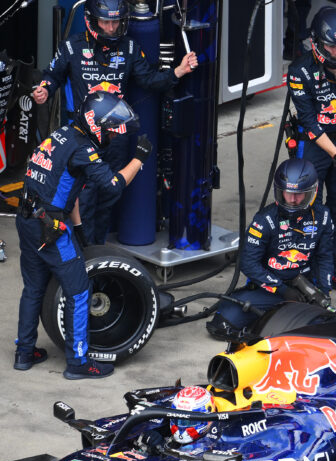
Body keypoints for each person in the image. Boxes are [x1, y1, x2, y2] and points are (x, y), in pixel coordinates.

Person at [31, 0, 198, 246]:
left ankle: (96, 250)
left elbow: (149, 80)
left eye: (116, 21)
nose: (111, 28)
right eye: (106, 21)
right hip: (82, 140)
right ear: (91, 20)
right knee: (84, 200)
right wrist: (43, 90)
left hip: (116, 137)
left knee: (109, 196)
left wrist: (179, 71)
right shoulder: (71, 46)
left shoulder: (130, 48)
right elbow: (51, 75)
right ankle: (83, 255)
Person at [14, 91, 151, 379]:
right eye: (110, 130)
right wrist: (139, 159)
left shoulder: (62, 134)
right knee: (79, 291)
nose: (113, 136)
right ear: (94, 124)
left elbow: (68, 188)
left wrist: (78, 230)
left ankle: (24, 353)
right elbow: (113, 184)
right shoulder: (84, 150)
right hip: (49, 228)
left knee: (34, 288)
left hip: (27, 219)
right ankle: (78, 363)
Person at [206, 158, 334, 341]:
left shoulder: (323, 217)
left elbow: (325, 258)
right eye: (287, 193)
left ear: (312, 192)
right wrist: (281, 289)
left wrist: (323, 292)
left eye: (299, 195)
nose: (292, 199)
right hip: (271, 288)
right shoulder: (264, 220)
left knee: (325, 328)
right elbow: (247, 262)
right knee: (222, 324)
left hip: (305, 288)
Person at [287, 6, 336, 284]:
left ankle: (333, 271)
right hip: (312, 144)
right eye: (331, 47)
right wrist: (334, 152)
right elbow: (309, 122)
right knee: (308, 209)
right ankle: (306, 270)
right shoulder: (299, 71)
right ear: (316, 43)